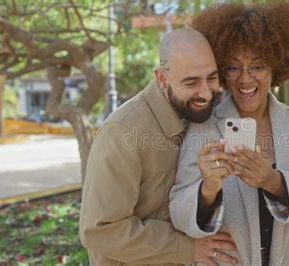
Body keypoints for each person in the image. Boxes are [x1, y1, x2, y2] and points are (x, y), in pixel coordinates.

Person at [169, 3, 289, 266]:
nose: (245, 80)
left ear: (275, 68)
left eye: (257, 67)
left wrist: (272, 180)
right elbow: (179, 210)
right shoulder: (205, 126)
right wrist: (207, 190)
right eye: (234, 68)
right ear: (223, 72)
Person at [80, 28, 238, 266]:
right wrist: (186, 248)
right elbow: (100, 230)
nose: (206, 92)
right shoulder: (123, 131)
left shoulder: (198, 118)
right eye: (191, 81)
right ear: (162, 79)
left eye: (212, 78)